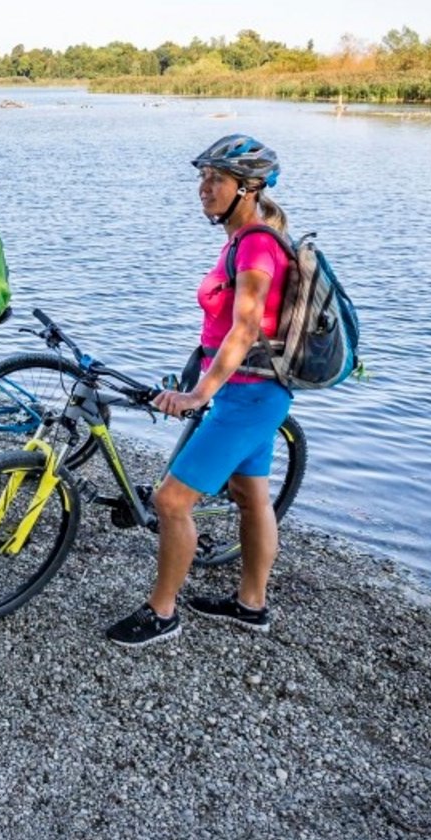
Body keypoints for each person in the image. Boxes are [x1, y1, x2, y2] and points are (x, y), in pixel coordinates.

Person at [106, 134, 292, 647]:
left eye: (217, 180)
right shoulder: (242, 239)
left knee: (170, 501)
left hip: (248, 393)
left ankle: (162, 613)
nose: (205, 188)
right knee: (252, 497)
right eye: (203, 178)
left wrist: (199, 393)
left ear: (249, 189)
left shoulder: (255, 244)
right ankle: (250, 605)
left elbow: (246, 327)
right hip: (253, 391)